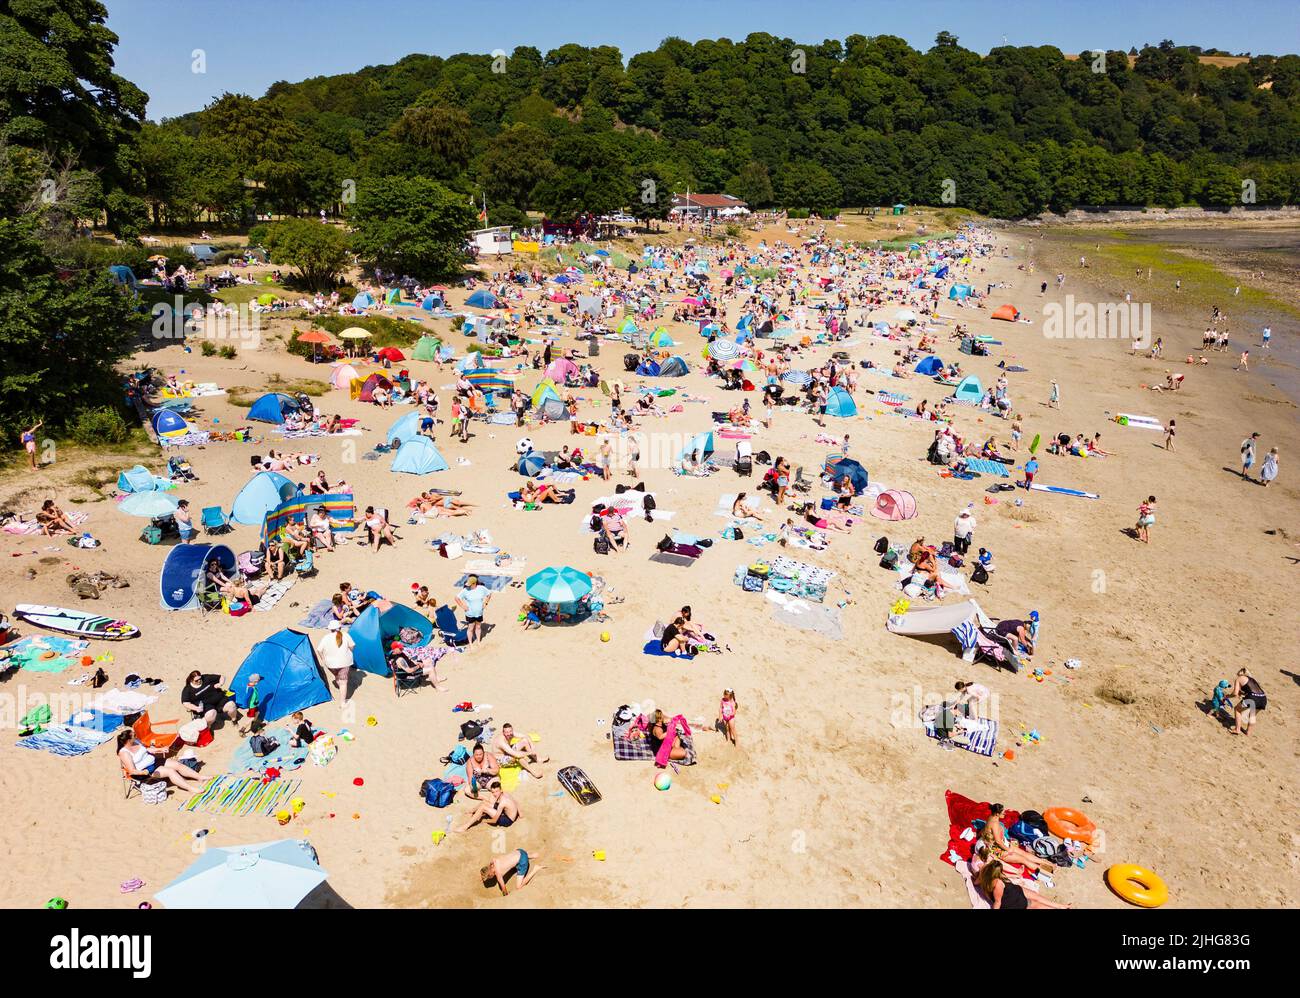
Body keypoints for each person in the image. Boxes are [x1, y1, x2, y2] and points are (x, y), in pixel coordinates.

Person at [116, 731, 206, 792]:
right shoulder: (124, 753)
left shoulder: (136, 741)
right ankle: (190, 788)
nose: (136, 736)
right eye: (134, 736)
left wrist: (161, 749)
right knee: (171, 771)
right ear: (128, 740)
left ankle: (199, 777)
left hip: (153, 761)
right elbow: (132, 770)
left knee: (177, 764)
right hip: (145, 771)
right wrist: (144, 772)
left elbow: (147, 750)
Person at [978, 860, 1069, 910]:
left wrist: (1016, 875)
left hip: (1013, 891)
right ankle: (1059, 907)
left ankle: (1060, 906)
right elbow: (998, 902)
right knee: (1035, 904)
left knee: (1035, 895)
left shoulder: (984, 871)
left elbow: (977, 881)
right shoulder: (998, 883)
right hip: (1012, 902)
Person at [454, 781, 519, 832]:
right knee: (484, 803)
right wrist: (520, 815)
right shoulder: (505, 794)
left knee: (483, 808)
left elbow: (494, 820)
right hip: (505, 813)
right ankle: (471, 812)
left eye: (496, 791)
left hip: (507, 820)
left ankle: (465, 827)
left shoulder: (503, 802)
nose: (495, 794)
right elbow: (516, 803)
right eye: (493, 792)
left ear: (501, 790)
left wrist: (484, 821)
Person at [316, 620, 355, 702]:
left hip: (330, 664)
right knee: (343, 682)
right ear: (340, 627)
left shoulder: (326, 637)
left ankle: (340, 685)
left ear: (330, 629)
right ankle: (342, 703)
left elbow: (319, 650)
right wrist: (348, 652)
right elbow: (352, 646)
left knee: (337, 676)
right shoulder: (345, 635)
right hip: (344, 662)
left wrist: (323, 659)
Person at [1229, 668, 1266, 735]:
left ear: (1239, 674)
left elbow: (1235, 693)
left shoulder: (1239, 678)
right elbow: (1252, 691)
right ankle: (1248, 732)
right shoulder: (1252, 679)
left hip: (1252, 698)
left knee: (1237, 709)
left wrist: (1227, 696)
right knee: (1252, 715)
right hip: (1263, 698)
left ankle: (1237, 729)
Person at [456, 575, 491, 646]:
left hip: (479, 613)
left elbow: (489, 594)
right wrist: (463, 606)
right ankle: (471, 643)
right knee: (470, 628)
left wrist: (486, 602)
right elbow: (456, 598)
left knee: (478, 627)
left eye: (469, 584)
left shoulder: (481, 588)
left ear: (474, 583)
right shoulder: (465, 590)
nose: (468, 586)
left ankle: (478, 641)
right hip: (470, 614)